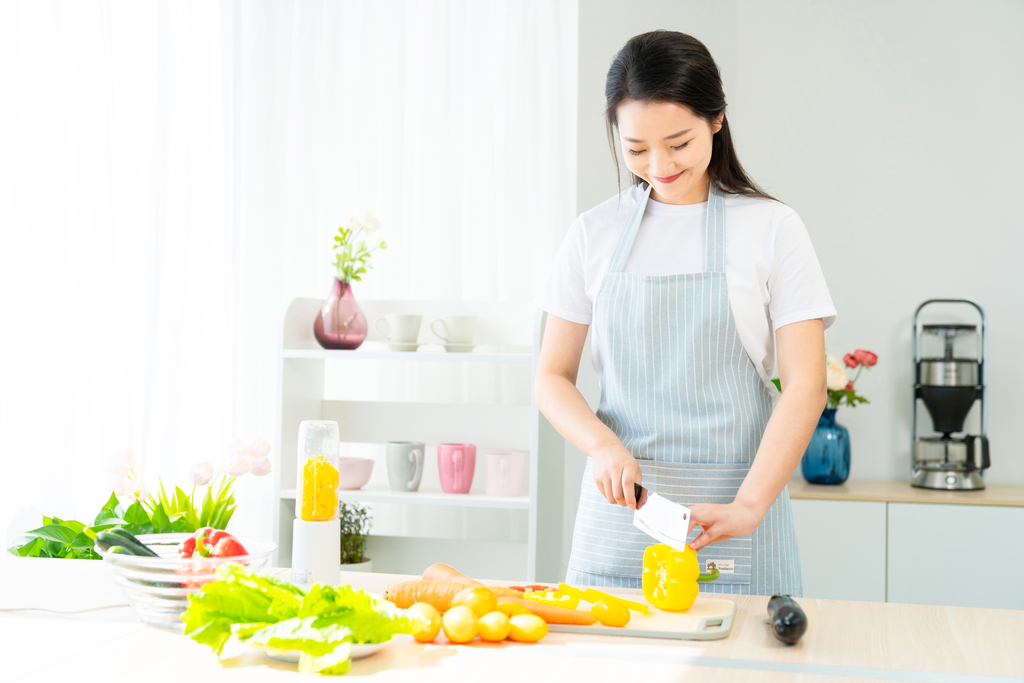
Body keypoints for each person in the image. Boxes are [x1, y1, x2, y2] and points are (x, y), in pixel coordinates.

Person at [534, 30, 835, 594]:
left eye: (678, 142)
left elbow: (806, 384)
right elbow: (551, 376)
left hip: (734, 513)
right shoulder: (593, 233)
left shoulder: (771, 228)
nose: (659, 164)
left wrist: (748, 506)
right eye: (636, 149)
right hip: (621, 511)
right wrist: (601, 446)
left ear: (716, 120)